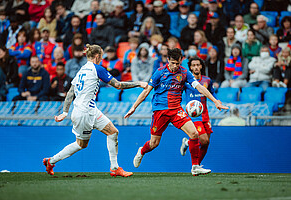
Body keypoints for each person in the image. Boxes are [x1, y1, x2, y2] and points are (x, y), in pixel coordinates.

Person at [43, 44, 147, 177]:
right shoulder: (97, 69)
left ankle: (114, 168)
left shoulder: (81, 70)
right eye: (101, 57)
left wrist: (65, 112)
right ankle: (51, 161)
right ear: (97, 56)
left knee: (113, 132)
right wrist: (138, 83)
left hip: (90, 110)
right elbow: (118, 85)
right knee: (81, 144)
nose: (102, 59)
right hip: (84, 113)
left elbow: (70, 92)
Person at [124, 48, 228, 176]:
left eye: (177, 63)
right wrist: (134, 107)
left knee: (194, 133)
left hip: (176, 110)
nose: (174, 66)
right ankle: (142, 151)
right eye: (172, 63)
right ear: (168, 60)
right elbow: (146, 91)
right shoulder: (159, 72)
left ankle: (195, 167)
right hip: (160, 111)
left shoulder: (184, 72)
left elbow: (200, 87)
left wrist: (215, 101)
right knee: (154, 143)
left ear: (181, 61)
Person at [179, 57, 218, 171]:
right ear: (190, 67)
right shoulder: (186, 82)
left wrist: (217, 101)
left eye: (198, 65)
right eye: (193, 65)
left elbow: (212, 92)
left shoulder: (207, 80)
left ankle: (196, 164)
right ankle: (195, 166)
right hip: (194, 116)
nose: (196, 67)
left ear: (201, 66)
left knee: (206, 143)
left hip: (205, 115)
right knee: (204, 140)